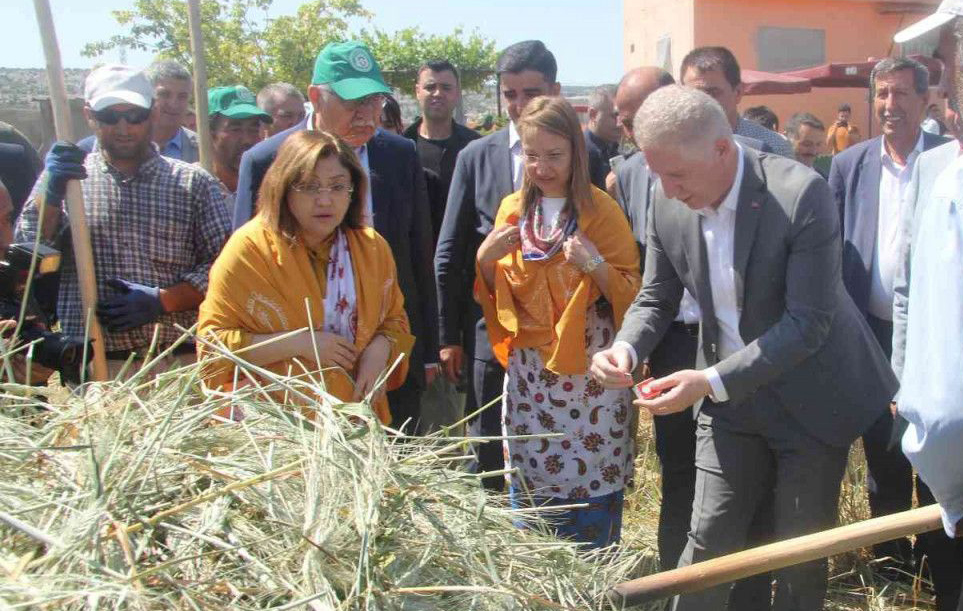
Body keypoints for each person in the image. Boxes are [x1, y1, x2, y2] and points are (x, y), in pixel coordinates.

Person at [590, 85, 896, 610]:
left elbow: (808, 323)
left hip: (812, 398)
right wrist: (626, 345)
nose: (666, 188)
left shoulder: (800, 194)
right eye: (657, 173)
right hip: (731, 403)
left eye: (677, 174)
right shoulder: (667, 198)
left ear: (722, 150)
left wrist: (706, 382)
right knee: (708, 543)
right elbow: (657, 294)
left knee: (798, 555)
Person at [233, 41, 437, 434]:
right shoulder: (264, 160)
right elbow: (247, 272)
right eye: (351, 103)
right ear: (315, 98)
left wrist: (423, 349)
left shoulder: (400, 154)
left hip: (384, 359)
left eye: (374, 101)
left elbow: (417, 253)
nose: (366, 115)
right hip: (299, 380)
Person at [475, 96, 641, 548]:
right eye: (532, 155)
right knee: (532, 482)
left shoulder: (601, 212)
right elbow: (501, 294)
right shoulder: (512, 209)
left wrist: (595, 265)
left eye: (554, 156)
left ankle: (593, 579)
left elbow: (633, 292)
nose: (542, 167)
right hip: (530, 376)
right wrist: (484, 260)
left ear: (575, 153)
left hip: (589, 377)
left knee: (589, 479)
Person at [15, 65, 231, 376]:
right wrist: (51, 196)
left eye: (134, 116)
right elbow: (31, 253)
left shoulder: (193, 183)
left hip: (177, 364)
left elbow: (225, 267)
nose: (123, 127)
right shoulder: (70, 184)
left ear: (152, 113)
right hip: (99, 365)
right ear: (90, 115)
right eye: (109, 117)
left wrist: (164, 300)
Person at [828, 56, 951, 582]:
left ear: (926, 101)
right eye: (881, 95)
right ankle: (890, 565)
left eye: (901, 94)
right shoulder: (849, 165)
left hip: (932, 332)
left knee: (936, 443)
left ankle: (941, 560)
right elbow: (832, 251)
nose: (889, 105)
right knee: (883, 452)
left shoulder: (948, 162)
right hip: (868, 333)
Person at [198, 130, 413, 424]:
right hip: (271, 435)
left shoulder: (371, 248)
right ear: (284, 189)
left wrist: (381, 349)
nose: (325, 201)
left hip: (353, 430)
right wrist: (298, 344)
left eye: (338, 187)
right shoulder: (249, 250)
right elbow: (212, 347)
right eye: (310, 187)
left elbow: (395, 321)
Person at [435, 40, 560, 490]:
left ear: (555, 90)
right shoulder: (476, 157)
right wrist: (449, 336)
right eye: (510, 95)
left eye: (531, 93)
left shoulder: (581, 156)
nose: (520, 105)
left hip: (560, 337)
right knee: (488, 440)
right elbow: (449, 251)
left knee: (553, 443)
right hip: (491, 331)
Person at [893, 4, 963, 609]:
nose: (942, 81)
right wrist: (905, 377)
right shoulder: (940, 168)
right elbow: (912, 291)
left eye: (946, 62)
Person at [403, 60, 481, 242]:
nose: (438, 93)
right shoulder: (402, 148)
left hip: (464, 259)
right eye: (430, 87)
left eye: (446, 87)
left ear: (457, 93)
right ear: (417, 91)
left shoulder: (476, 148)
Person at [679, 46, 795, 158]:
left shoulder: (773, 147)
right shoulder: (673, 145)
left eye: (713, 93)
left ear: (738, 92)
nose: (701, 102)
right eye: (693, 95)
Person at [208, 85, 271, 206]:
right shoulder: (192, 187)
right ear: (210, 133)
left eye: (253, 128)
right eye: (235, 129)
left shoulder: (269, 186)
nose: (247, 140)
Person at [584, 86, 620, 190]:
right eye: (615, 115)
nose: (620, 123)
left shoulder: (618, 148)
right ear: (593, 114)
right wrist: (606, 188)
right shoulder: (579, 154)